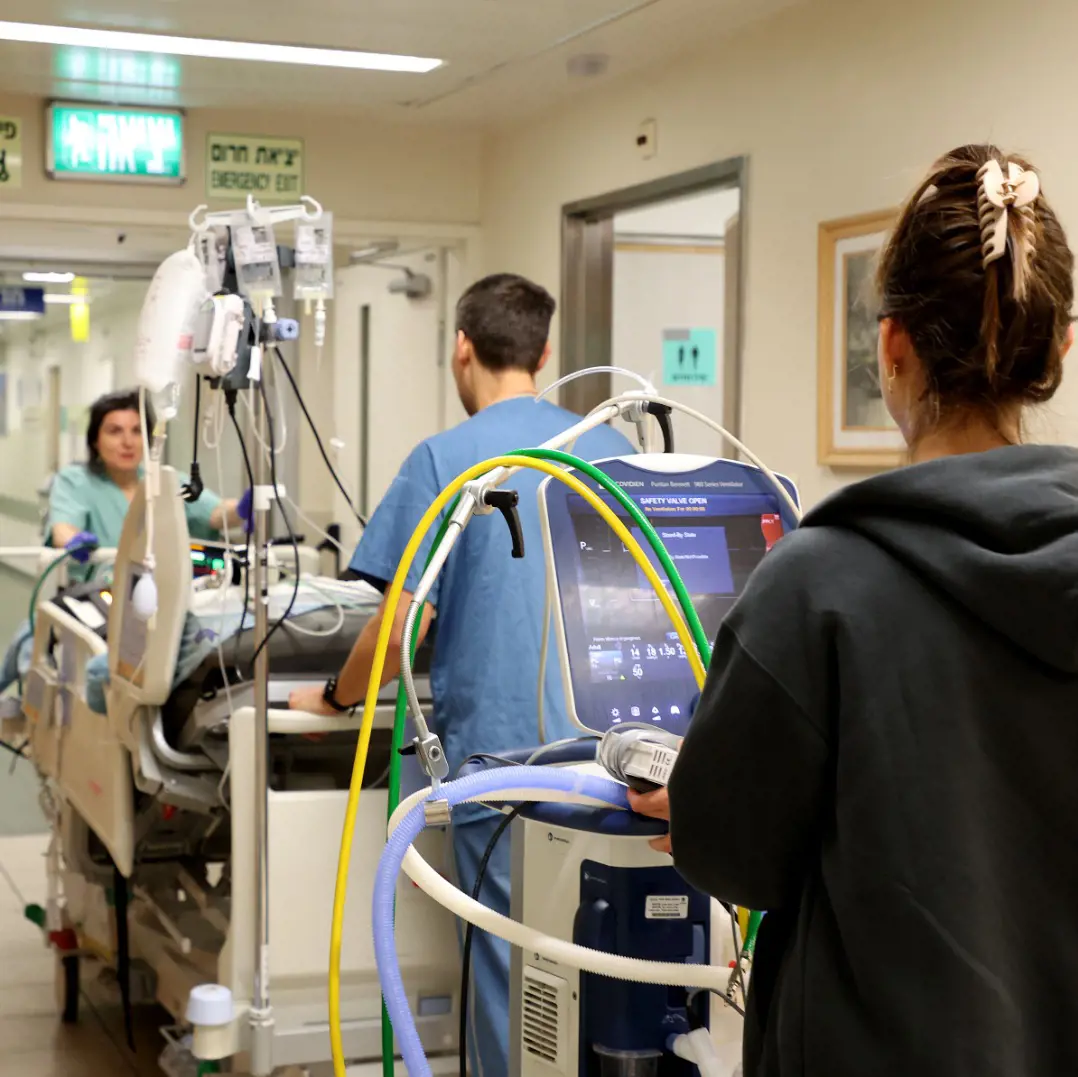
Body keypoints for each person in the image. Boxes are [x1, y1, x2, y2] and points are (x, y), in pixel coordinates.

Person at [633, 144, 1078, 1076]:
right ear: (1059, 351)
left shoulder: (818, 584)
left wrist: (696, 794)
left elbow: (732, 851)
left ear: (892, 347)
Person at [289, 273, 635, 1076]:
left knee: (510, 978)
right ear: (545, 353)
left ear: (461, 347)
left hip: (501, 765)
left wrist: (335, 696)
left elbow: (398, 630)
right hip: (615, 761)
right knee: (607, 971)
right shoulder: (614, 450)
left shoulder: (447, 459)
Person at [47, 389, 247, 574]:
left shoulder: (165, 480)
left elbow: (215, 513)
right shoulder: (75, 481)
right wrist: (75, 541)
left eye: (136, 431)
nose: (128, 442)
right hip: (100, 591)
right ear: (95, 441)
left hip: (163, 590)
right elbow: (63, 530)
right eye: (115, 431)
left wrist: (244, 507)